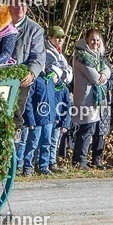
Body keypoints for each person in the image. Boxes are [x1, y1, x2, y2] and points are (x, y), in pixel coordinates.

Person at [71, 29, 112, 170]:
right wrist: (103, 76)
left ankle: (83, 160)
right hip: (85, 99)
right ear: (87, 41)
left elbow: (108, 70)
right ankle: (79, 161)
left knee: (92, 129)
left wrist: (105, 75)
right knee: (85, 130)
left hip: (95, 100)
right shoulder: (81, 56)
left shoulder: (98, 56)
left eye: (97, 40)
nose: (95, 42)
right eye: (93, 40)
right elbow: (94, 78)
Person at [8, 0, 47, 135]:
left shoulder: (35, 30)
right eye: (17, 3)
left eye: (24, 4)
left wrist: (31, 73)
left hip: (20, 81)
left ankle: (13, 144)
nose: (21, 8)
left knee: (14, 115)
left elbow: (38, 56)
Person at [44, 26, 73, 169]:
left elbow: (68, 74)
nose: (60, 40)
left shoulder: (60, 54)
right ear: (50, 38)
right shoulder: (48, 52)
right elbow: (54, 71)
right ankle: (44, 162)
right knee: (49, 132)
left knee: (57, 132)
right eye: (57, 37)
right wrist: (64, 73)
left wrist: (64, 73)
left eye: (62, 37)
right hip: (51, 94)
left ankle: (52, 160)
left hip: (61, 94)